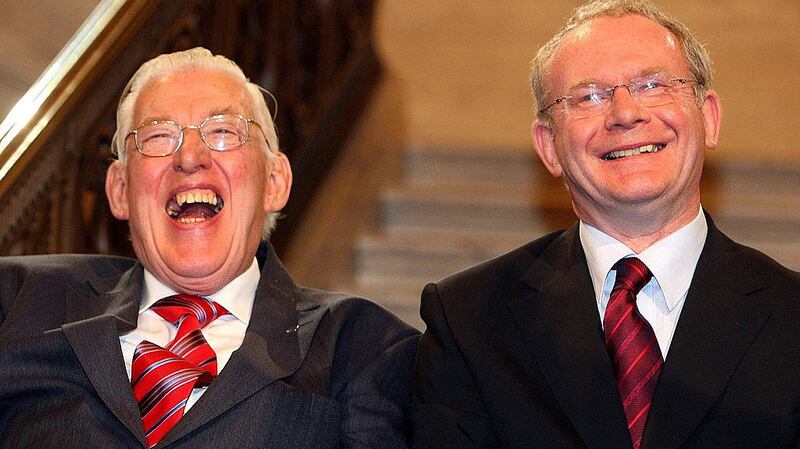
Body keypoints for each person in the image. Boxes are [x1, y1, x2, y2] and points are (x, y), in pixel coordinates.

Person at [410, 1, 800, 448]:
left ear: (708, 117)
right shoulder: (467, 320)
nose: (625, 113)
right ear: (550, 146)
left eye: (653, 85)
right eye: (588, 96)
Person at [0, 47, 419, 449]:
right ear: (120, 190)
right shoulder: (20, 301)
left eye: (223, 131)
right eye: (158, 136)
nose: (190, 157)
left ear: (275, 182)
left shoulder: (362, 346)